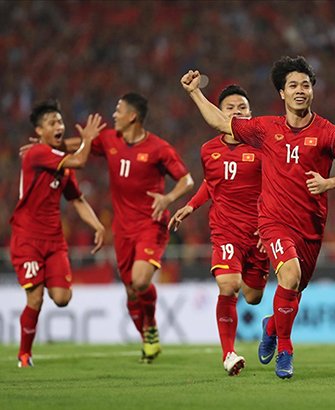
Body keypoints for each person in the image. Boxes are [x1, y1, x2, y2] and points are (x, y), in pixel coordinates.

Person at [180, 56, 335, 379]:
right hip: (273, 222)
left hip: (310, 225)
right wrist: (195, 93)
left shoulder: (328, 133)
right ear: (282, 92)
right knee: (289, 276)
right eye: (293, 85)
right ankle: (285, 350)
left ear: (312, 91)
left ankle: (271, 326)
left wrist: (329, 183)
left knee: (293, 287)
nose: (300, 90)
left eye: (305, 85)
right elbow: (222, 123)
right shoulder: (266, 129)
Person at [168, 85, 268, 376]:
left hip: (259, 234)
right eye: (230, 108)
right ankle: (228, 354)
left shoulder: (263, 148)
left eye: (242, 108)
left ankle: (269, 325)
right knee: (228, 285)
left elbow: (277, 189)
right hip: (225, 231)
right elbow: (211, 183)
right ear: (218, 113)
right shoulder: (208, 150)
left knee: (253, 297)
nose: (237, 113)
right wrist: (191, 205)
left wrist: (270, 224)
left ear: (251, 114)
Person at [89, 93, 194, 363]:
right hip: (122, 230)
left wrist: (168, 198)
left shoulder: (159, 149)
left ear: (132, 116)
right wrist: (50, 146)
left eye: (119, 110)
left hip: (151, 224)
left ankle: (151, 328)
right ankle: (148, 335)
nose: (114, 115)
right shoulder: (110, 140)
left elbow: (187, 180)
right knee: (130, 290)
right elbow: (79, 147)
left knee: (140, 281)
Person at [11, 99, 106, 367]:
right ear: (39, 131)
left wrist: (98, 225)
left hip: (54, 240)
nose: (59, 126)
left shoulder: (60, 165)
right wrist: (87, 139)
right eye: (52, 123)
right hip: (27, 238)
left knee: (62, 298)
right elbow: (80, 160)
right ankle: (24, 354)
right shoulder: (37, 153)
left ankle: (26, 349)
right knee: (35, 298)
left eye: (60, 122)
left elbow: (77, 199)